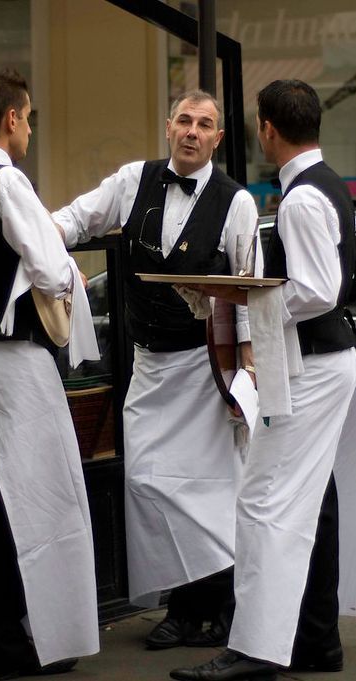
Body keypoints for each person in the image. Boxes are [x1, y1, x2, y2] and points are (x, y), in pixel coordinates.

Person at [53, 89, 260, 649]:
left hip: (204, 367)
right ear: (169, 126)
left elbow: (248, 287)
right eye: (185, 121)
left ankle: (205, 609)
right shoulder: (131, 180)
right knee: (146, 482)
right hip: (148, 365)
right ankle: (180, 601)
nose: (193, 131)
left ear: (218, 137)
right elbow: (76, 218)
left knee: (212, 492)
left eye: (206, 125)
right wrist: (43, 245)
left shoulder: (236, 202)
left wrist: (244, 374)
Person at [169, 79, 356, 681]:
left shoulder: (301, 199)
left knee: (262, 501)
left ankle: (253, 650)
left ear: (267, 128)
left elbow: (320, 291)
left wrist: (238, 292)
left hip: (315, 366)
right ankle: (310, 641)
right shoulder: (323, 187)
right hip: (325, 362)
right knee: (299, 504)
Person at [0, 67, 100, 681]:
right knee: (32, 503)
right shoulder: (6, 181)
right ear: (11, 118)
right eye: (31, 115)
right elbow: (49, 268)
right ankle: (14, 642)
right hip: (14, 364)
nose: (31, 126)